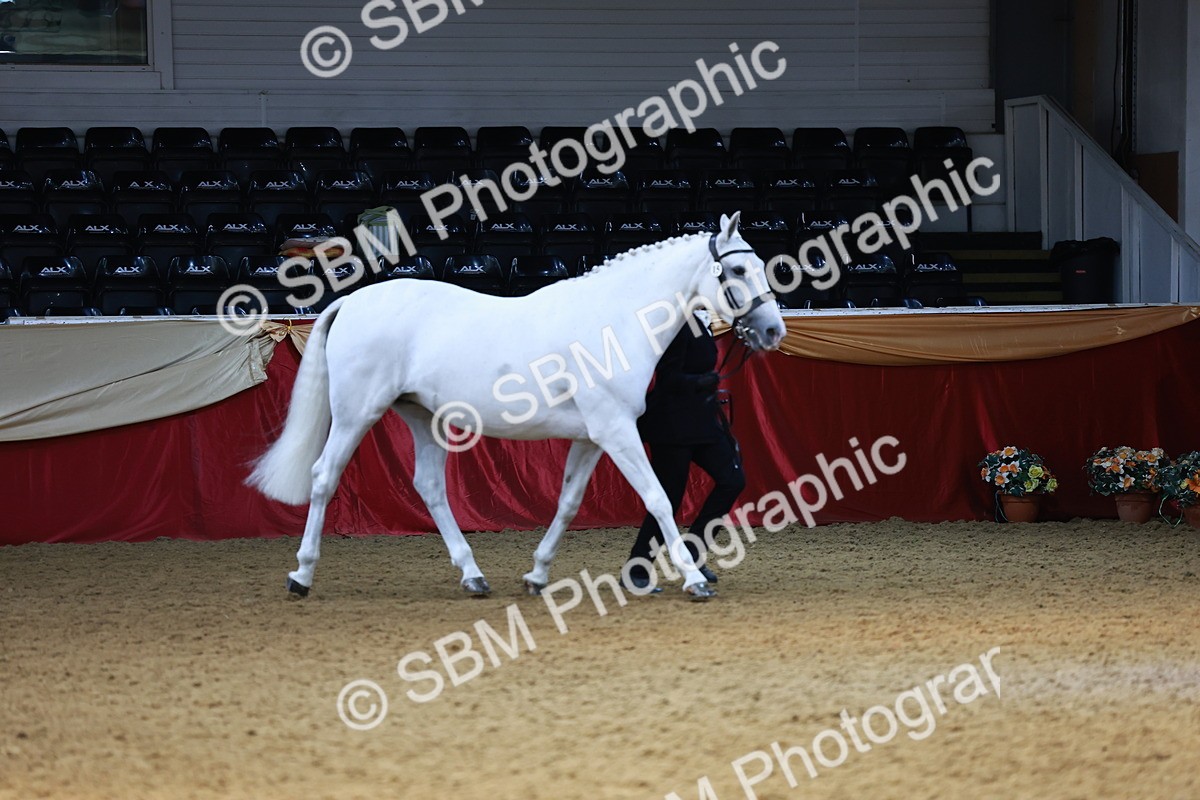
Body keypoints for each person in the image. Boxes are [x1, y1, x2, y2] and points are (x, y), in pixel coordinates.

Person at [624, 310, 746, 592]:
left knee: (733, 480)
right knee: (668, 499)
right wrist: (698, 382)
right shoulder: (674, 325)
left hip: (702, 421)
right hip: (672, 424)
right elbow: (667, 378)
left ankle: (692, 553)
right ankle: (637, 568)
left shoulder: (698, 322)